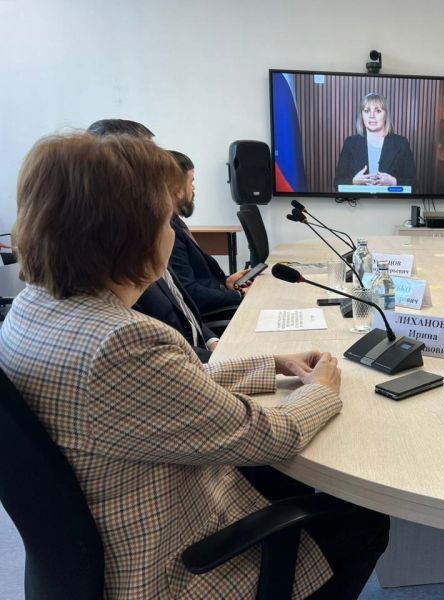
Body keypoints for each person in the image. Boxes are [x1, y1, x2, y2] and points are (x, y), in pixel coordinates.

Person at [0, 132, 388, 599]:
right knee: (366, 522)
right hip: (170, 565)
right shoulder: (122, 341)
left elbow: (176, 387)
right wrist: (321, 391)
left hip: (118, 530)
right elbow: (270, 437)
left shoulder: (33, 310)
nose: (173, 231)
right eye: (167, 218)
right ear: (132, 233)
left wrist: (274, 364)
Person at [85, 120, 220, 360]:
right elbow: (162, 354)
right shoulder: (120, 263)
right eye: (151, 169)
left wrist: (213, 342)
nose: (162, 181)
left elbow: (184, 309)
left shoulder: (148, 237)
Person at [167, 150, 253, 314]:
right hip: (211, 315)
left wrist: (225, 282)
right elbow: (190, 294)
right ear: (177, 188)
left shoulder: (176, 222)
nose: (193, 188)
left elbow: (197, 279)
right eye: (191, 181)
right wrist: (239, 294)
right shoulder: (168, 233)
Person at [334, 92, 416, 190]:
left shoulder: (401, 143)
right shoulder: (350, 143)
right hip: (359, 199)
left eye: (378, 111)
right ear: (362, 115)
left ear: (386, 115)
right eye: (366, 111)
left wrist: (394, 182)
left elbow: (413, 185)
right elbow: (337, 183)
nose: (371, 116)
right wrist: (353, 182)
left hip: (390, 199)